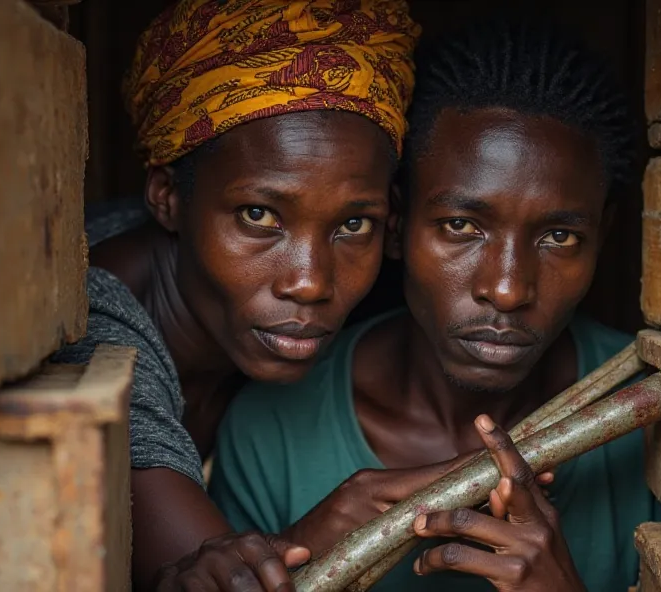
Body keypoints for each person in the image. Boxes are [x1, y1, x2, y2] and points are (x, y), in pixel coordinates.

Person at [208, 20, 661, 592]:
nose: (506, 289)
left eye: (559, 237)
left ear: (605, 234)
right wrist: (304, 558)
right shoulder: (274, 427)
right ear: (396, 223)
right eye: (461, 226)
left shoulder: (652, 412)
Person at [50, 1, 422, 588]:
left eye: (353, 225)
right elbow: (216, 576)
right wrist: (322, 530)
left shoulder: (297, 312)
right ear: (167, 196)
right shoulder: (90, 329)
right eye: (259, 215)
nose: (311, 281)